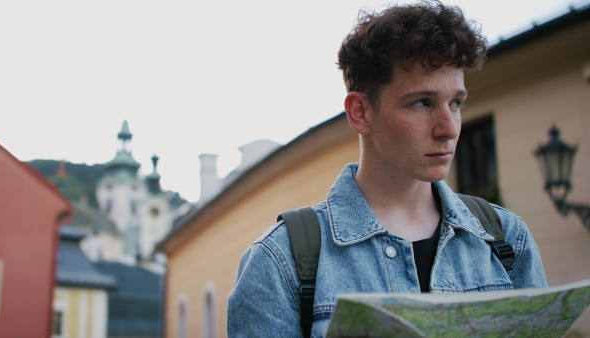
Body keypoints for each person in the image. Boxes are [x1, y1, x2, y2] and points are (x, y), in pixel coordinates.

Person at [228, 1, 547, 337]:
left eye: (455, 103)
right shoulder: (280, 262)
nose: (449, 128)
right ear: (360, 112)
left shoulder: (507, 239)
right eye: (422, 102)